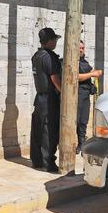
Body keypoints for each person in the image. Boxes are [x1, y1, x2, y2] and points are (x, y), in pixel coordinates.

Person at [30, 27, 62, 172]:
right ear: (49, 41)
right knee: (50, 131)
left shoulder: (36, 55)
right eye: (54, 39)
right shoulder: (49, 57)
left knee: (38, 131)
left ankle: (37, 161)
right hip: (49, 100)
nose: (55, 42)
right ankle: (48, 163)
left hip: (40, 98)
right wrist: (64, 93)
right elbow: (54, 78)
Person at [76, 40, 103, 153]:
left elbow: (92, 71)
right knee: (76, 120)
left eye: (83, 48)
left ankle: (81, 144)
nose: (81, 50)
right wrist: (92, 74)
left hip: (85, 96)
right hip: (76, 95)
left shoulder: (84, 63)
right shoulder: (71, 62)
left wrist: (96, 73)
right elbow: (75, 76)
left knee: (83, 120)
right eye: (79, 48)